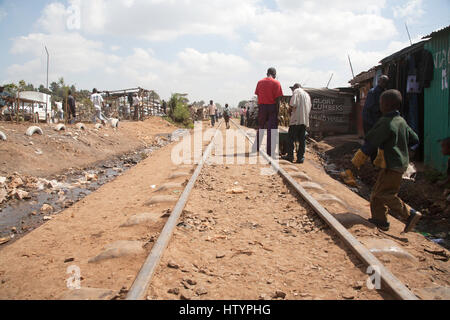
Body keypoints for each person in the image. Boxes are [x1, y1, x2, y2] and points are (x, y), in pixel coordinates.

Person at [352, 89, 421, 233]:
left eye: (381, 102)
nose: (379, 105)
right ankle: (380, 220)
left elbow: (371, 143)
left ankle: (410, 214)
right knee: (377, 193)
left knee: (385, 194)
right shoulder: (401, 121)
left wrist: (357, 161)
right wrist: (400, 146)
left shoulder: (386, 122)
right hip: (398, 163)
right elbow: (414, 139)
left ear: (387, 105)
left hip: (392, 164)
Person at [255, 67, 283, 158]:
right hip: (272, 107)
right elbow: (278, 100)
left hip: (262, 106)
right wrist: (278, 113)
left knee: (261, 127)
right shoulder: (276, 83)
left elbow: (258, 96)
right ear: (274, 74)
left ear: (267, 73)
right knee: (272, 130)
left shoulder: (260, 82)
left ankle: (256, 147)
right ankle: (270, 151)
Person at [282, 83, 312, 164]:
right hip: (304, 120)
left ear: (294, 88)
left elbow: (292, 104)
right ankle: (300, 158)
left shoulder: (296, 92)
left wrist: (289, 112)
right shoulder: (307, 95)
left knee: (290, 138)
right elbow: (309, 108)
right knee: (302, 140)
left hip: (296, 120)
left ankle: (290, 156)